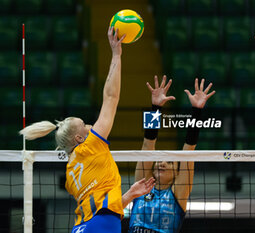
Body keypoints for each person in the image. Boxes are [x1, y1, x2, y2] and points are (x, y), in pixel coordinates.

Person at [19, 27, 155, 233]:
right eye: (85, 126)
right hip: (99, 225)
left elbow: (102, 206)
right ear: (79, 138)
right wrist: (116, 54)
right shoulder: (91, 146)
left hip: (84, 226)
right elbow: (111, 98)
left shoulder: (71, 172)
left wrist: (129, 195)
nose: (91, 126)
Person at [128, 76, 215, 233]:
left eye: (169, 162)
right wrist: (155, 107)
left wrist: (197, 111)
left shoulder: (178, 193)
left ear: (177, 172)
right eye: (160, 160)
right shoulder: (142, 185)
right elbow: (148, 143)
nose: (162, 163)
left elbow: (188, 150)